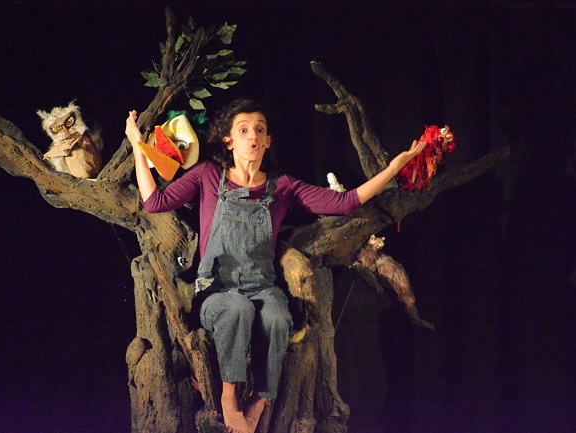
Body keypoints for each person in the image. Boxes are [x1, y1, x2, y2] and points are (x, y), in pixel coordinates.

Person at [125, 98, 424, 433]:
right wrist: (137, 144)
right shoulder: (208, 175)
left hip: (262, 287)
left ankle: (261, 399)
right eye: (243, 130)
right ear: (229, 141)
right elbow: (155, 202)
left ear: (268, 141)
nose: (252, 135)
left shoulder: (282, 187)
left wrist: (394, 168)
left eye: (260, 129)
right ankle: (229, 399)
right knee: (237, 308)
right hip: (216, 290)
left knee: (279, 318)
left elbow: (345, 202)